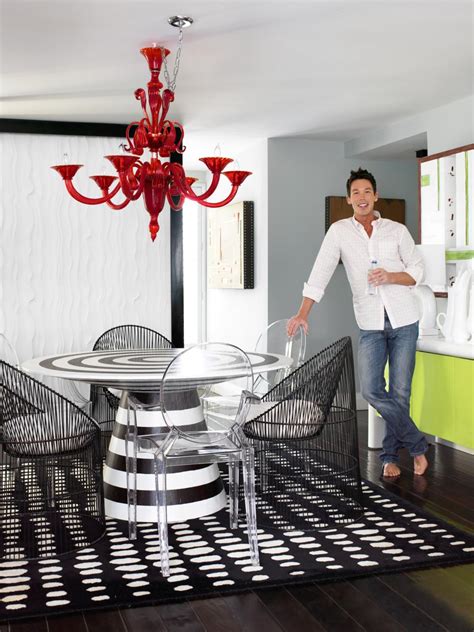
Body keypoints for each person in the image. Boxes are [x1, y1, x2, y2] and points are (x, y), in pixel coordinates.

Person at [287, 167, 429, 478]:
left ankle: (389, 458)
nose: (362, 197)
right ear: (349, 199)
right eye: (355, 193)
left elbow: (418, 270)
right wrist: (302, 313)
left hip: (405, 319)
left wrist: (390, 276)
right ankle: (418, 445)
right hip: (370, 323)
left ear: (375, 196)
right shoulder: (339, 232)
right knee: (372, 390)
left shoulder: (396, 230)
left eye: (367, 191)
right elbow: (320, 273)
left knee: (400, 392)